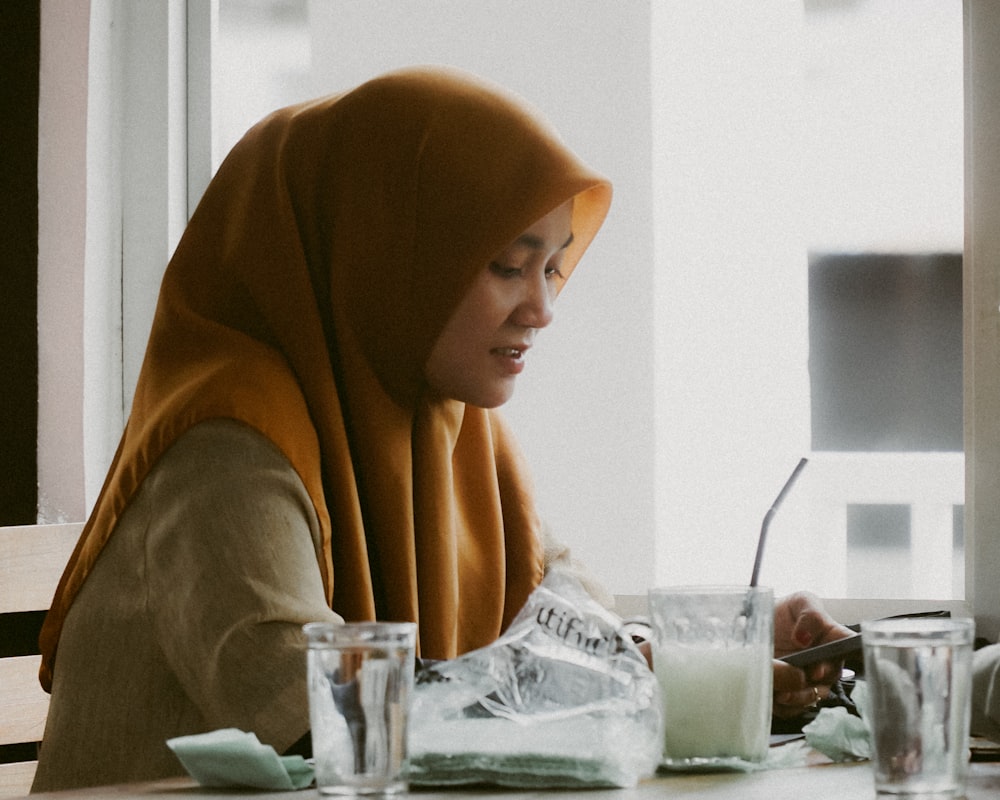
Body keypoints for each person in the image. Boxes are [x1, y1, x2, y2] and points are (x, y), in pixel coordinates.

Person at [31, 66, 848, 792]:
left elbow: (563, 617)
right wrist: (629, 679)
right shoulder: (228, 441)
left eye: (554, 265)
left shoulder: (447, 429)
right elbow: (328, 718)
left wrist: (709, 655)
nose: (543, 309)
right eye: (505, 265)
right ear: (382, 254)